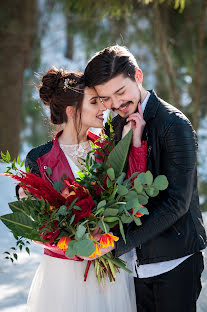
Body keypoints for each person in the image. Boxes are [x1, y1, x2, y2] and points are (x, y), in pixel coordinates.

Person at [83, 45, 207, 312]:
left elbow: (176, 203)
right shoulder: (115, 125)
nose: (116, 104)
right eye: (106, 98)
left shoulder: (174, 124)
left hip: (175, 262)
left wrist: (115, 243)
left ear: (138, 76)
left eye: (120, 92)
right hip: (135, 267)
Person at [19, 67, 147, 312]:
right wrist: (79, 248)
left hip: (109, 272)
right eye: (95, 101)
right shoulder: (39, 159)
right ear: (72, 110)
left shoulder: (107, 149)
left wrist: (136, 142)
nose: (104, 107)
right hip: (63, 277)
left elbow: (133, 194)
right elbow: (38, 226)